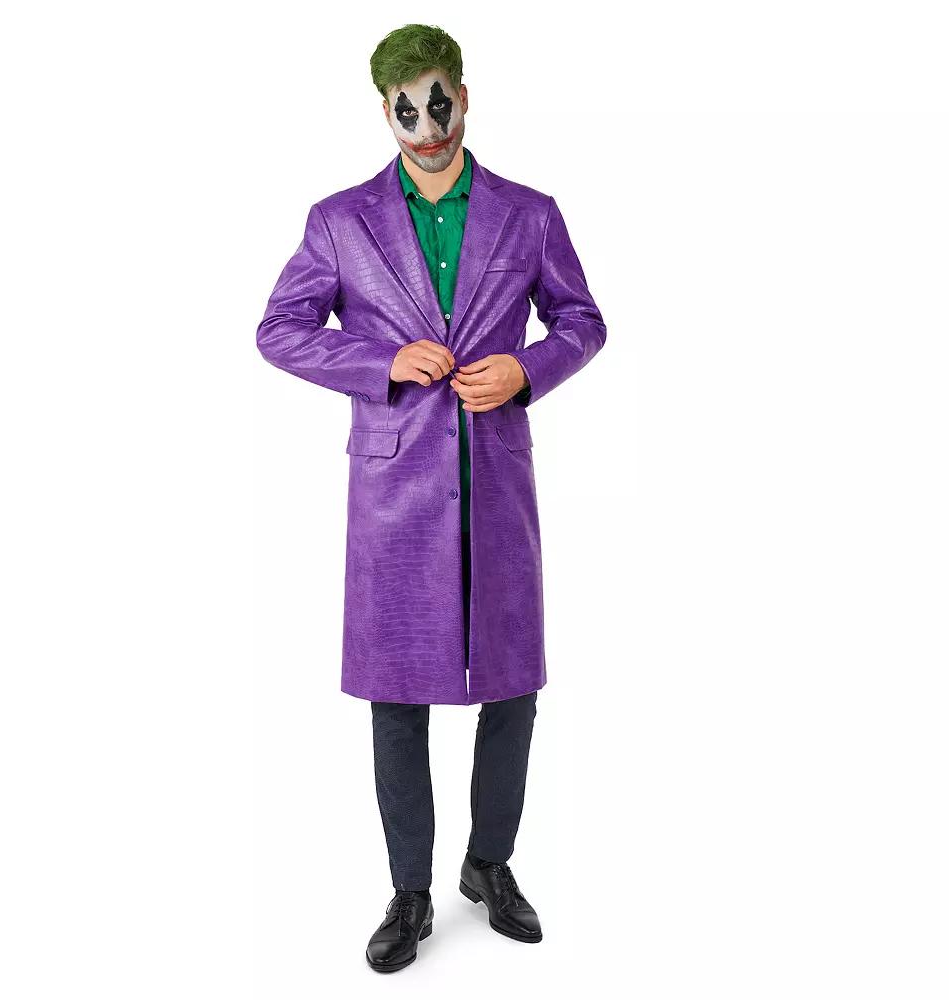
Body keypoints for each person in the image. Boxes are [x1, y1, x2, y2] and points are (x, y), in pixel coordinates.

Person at [255, 23, 606, 973]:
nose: (428, 123)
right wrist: (379, 360)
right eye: (406, 109)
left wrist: (527, 370)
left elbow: (582, 320)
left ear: (465, 95)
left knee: (513, 685)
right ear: (385, 112)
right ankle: (410, 888)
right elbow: (279, 329)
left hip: (497, 479)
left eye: (440, 100)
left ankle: (489, 864)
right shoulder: (340, 221)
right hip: (392, 491)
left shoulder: (530, 215)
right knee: (396, 692)